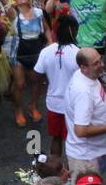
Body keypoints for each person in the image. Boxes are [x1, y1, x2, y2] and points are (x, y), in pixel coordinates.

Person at [64, 48, 106, 176]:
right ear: (83, 67)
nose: (102, 65)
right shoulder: (84, 92)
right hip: (85, 156)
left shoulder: (86, 76)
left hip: (93, 152)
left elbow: (88, 108)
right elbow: (80, 131)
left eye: (100, 60)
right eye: (96, 63)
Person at [34, 15, 80, 158]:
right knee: (73, 141)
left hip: (53, 103)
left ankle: (56, 174)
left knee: (56, 138)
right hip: (74, 104)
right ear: (74, 31)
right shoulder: (78, 53)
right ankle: (72, 173)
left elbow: (37, 76)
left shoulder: (46, 52)